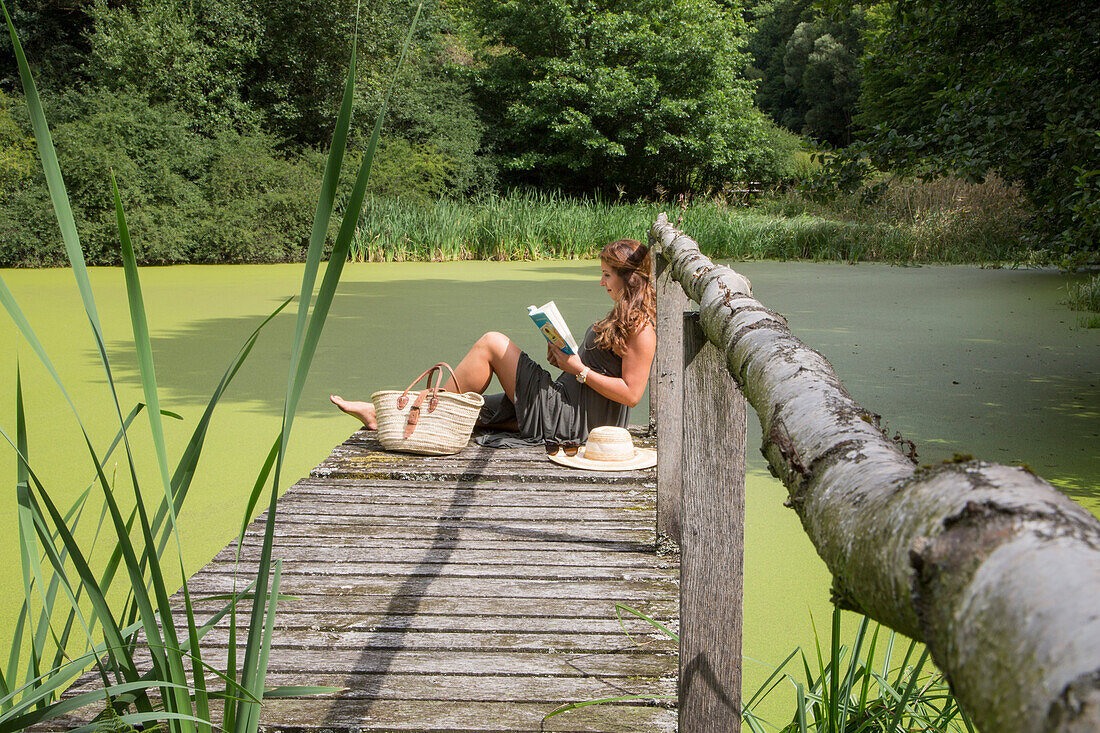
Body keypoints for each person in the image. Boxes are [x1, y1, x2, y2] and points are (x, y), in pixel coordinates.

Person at [330, 238, 656, 445]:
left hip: (574, 420)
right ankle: (381, 412)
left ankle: (401, 408)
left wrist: (579, 370)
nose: (601, 282)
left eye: (606, 275)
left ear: (628, 277)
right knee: (478, 411)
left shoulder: (642, 330)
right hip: (566, 402)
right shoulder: (622, 316)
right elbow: (588, 369)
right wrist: (563, 361)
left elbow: (632, 395)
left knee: (492, 343)